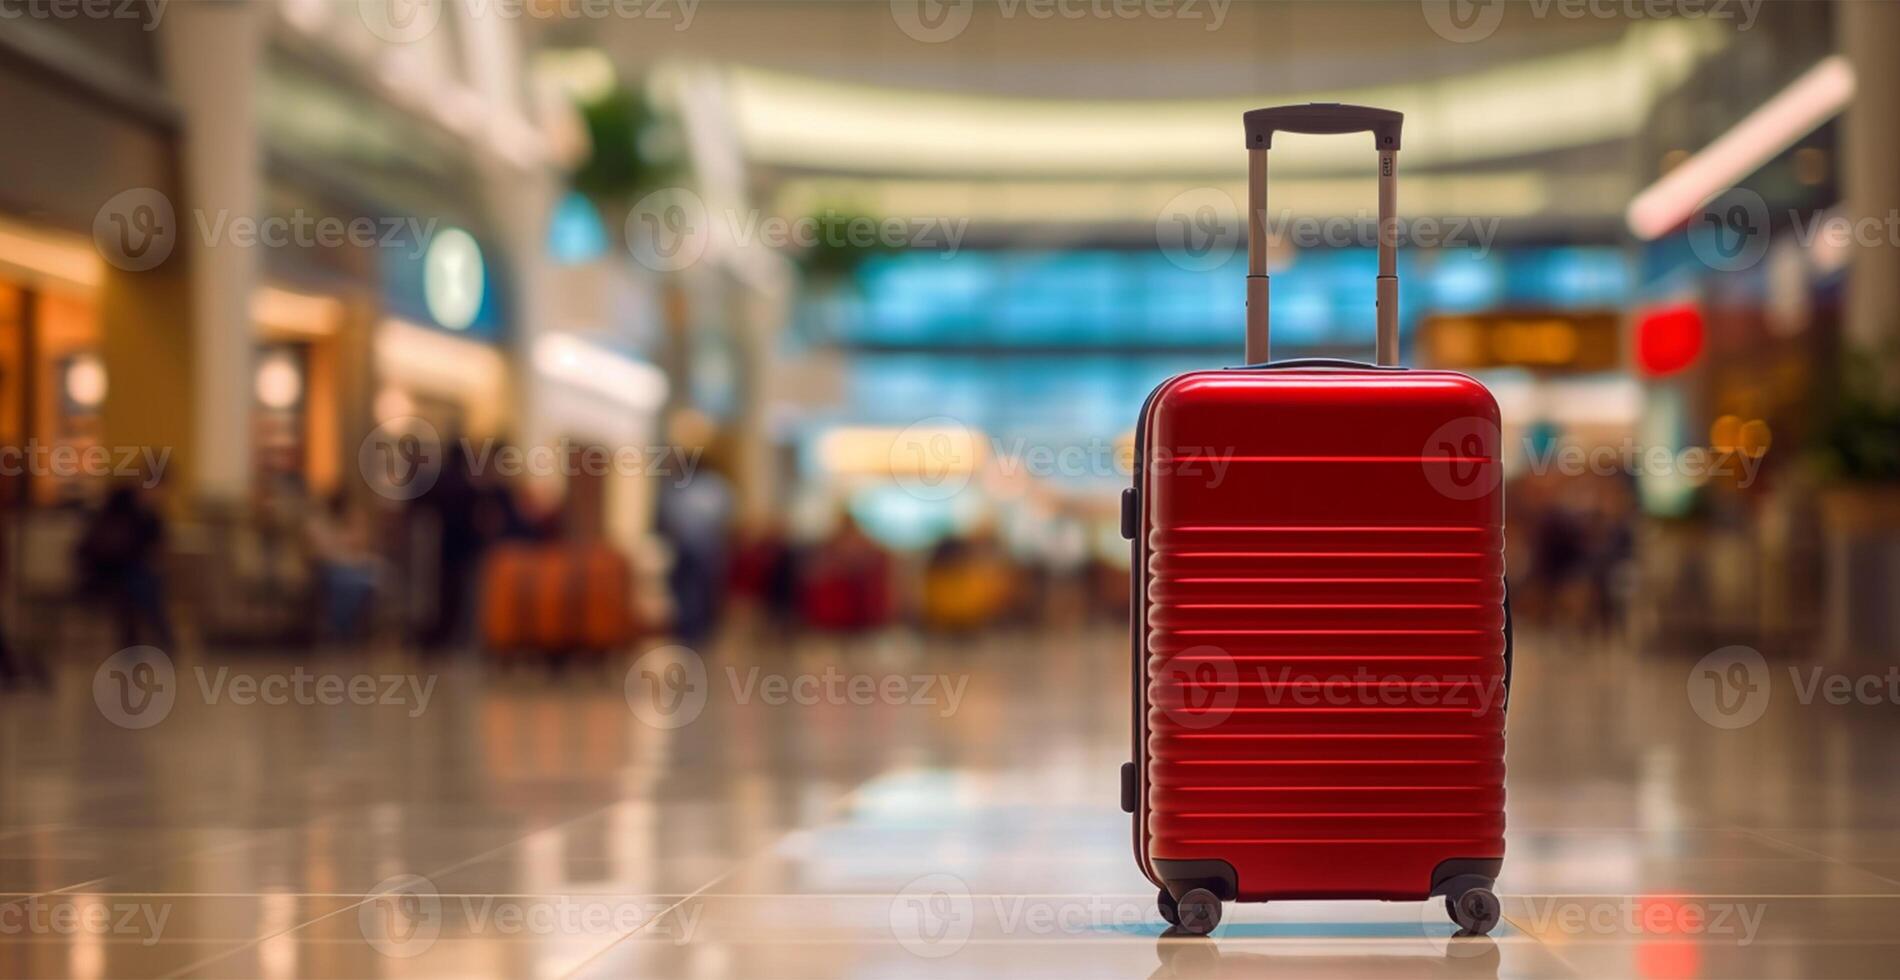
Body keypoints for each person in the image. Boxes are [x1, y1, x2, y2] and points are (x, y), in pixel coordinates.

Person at [76, 484, 174, 650]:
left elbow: (155, 551)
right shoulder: (120, 509)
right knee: (141, 586)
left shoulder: (150, 518)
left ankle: (147, 638)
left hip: (128, 573)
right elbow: (92, 551)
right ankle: (162, 636)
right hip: (104, 573)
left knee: (143, 584)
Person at [305, 491, 379, 643]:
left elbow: (361, 544)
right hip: (330, 569)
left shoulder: (353, 521)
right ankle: (339, 630)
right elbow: (321, 551)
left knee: (362, 583)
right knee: (342, 583)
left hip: (354, 568)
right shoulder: (318, 522)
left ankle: (349, 629)